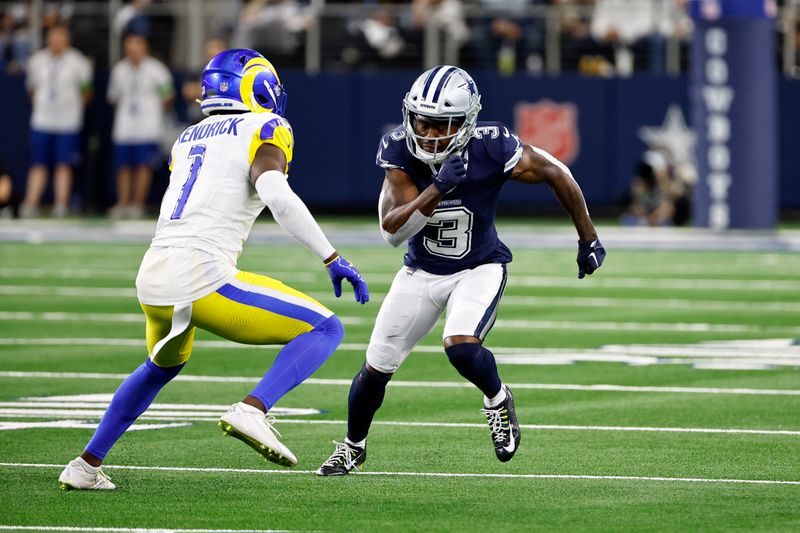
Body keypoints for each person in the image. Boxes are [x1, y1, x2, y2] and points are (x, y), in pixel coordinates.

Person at [58, 48, 370, 491]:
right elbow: (276, 195)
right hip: (200, 274)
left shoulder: (188, 136)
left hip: (153, 274)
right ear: (257, 86)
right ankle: (253, 409)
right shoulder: (267, 126)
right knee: (325, 329)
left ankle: (85, 466)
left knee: (158, 368)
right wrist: (331, 256)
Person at [317, 65, 605, 476]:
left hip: (480, 266)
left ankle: (497, 399)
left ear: (466, 122)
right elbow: (392, 231)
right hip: (420, 272)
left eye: (440, 125)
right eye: (422, 122)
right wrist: (437, 189)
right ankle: (353, 447)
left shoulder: (492, 146)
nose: (429, 134)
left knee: (461, 346)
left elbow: (555, 171)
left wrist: (588, 238)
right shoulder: (399, 151)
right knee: (375, 367)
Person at [20, 25, 91, 218]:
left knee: (63, 164)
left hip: (68, 122)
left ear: (67, 40)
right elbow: (32, 90)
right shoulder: (37, 60)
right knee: (38, 163)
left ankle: (61, 204)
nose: (56, 42)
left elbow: (86, 93)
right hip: (42, 120)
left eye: (60, 37)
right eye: (53, 37)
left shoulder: (78, 62)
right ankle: (31, 202)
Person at [107, 33, 174, 219]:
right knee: (123, 166)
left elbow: (167, 97)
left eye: (137, 45)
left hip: (148, 126)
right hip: (124, 126)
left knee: (143, 166)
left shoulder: (156, 70)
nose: (133, 50)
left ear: (144, 47)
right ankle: (123, 203)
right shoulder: (119, 70)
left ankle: (138, 203)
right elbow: (114, 97)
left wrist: (151, 110)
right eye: (129, 46)